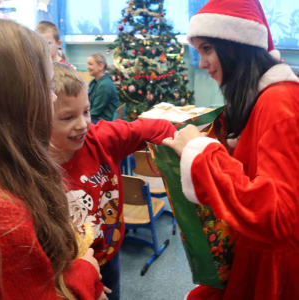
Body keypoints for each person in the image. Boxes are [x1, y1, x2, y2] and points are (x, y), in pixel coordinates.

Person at [163, 0, 299, 300]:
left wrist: (202, 156)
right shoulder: (262, 99)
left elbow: (281, 217)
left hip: (276, 271)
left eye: (208, 49)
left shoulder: (279, 104)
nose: (201, 63)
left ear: (237, 45)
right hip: (254, 254)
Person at [0, 19, 111, 299]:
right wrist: (84, 270)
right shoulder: (7, 217)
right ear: (20, 97)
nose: (51, 98)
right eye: (46, 86)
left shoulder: (18, 171)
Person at [50, 62, 176, 300]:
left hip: (107, 257)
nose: (83, 124)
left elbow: (157, 128)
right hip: (66, 273)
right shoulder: (35, 167)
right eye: (68, 117)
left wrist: (186, 149)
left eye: (86, 112)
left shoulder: (102, 138)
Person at [87, 53, 119, 123]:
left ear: (101, 66)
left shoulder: (105, 85)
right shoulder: (94, 82)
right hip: (96, 118)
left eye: (90, 64)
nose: (87, 67)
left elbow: (96, 111)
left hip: (103, 121)